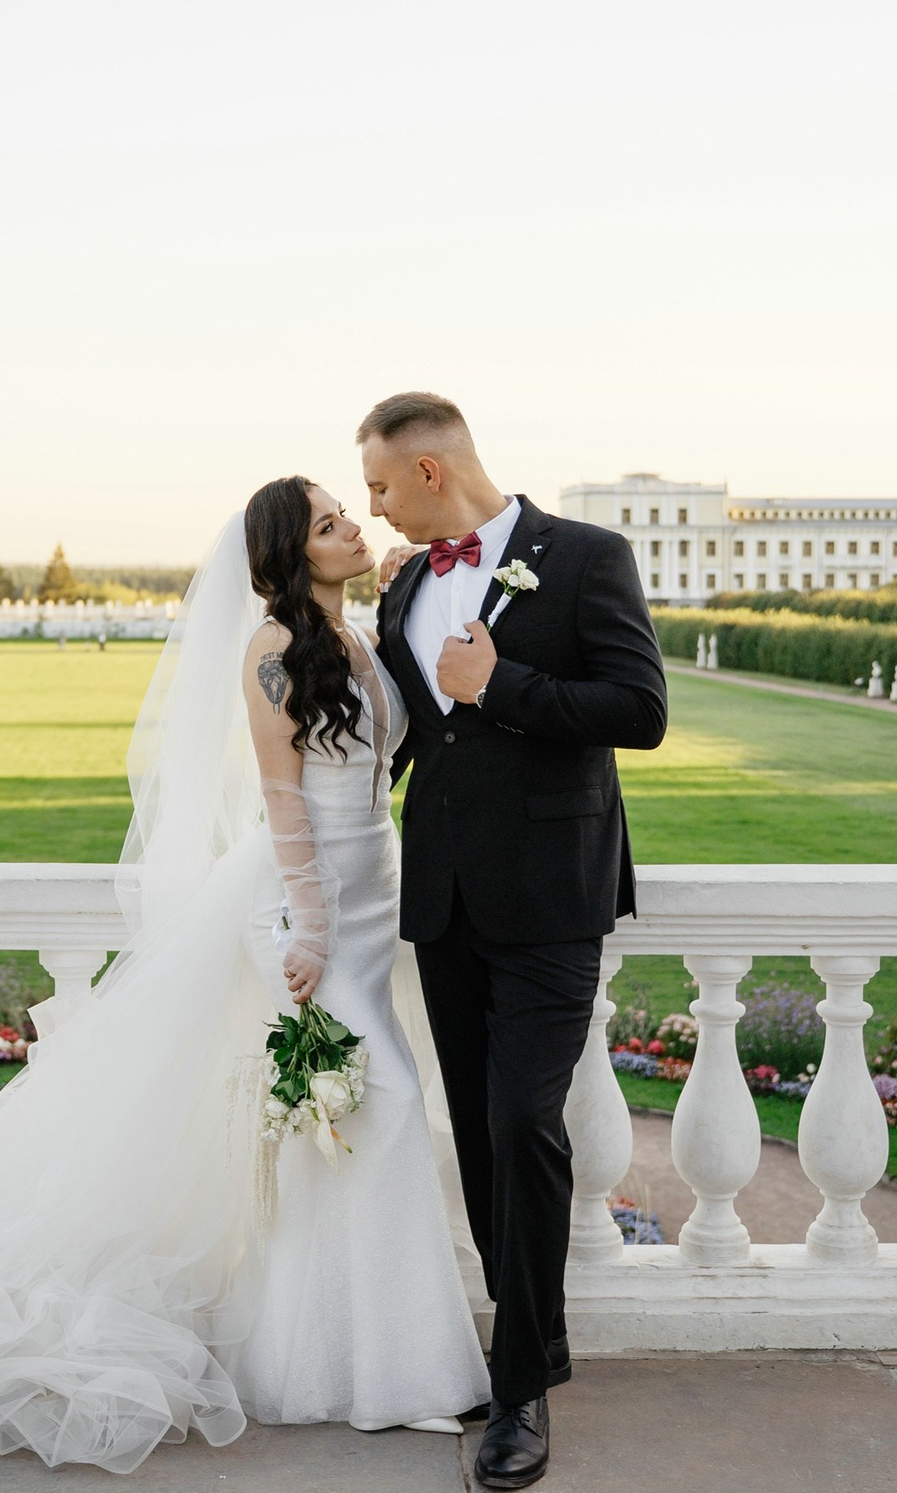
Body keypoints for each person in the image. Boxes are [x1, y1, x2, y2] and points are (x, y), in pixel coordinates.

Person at [0, 477, 489, 1474]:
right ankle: (382, 1370)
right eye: (332, 523)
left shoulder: (365, 638)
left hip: (376, 900)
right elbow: (284, 793)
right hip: (307, 903)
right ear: (295, 556)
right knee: (371, 1106)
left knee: (337, 1126)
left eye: (348, 513)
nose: (354, 526)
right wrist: (309, 925)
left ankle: (343, 1360)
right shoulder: (273, 652)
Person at [362, 391, 668, 1492]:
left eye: (382, 487)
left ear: (432, 473)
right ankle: (520, 1348)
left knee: (524, 1118)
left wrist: (504, 686)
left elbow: (638, 707)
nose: (376, 510)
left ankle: (524, 1389)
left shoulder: (586, 555)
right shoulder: (403, 582)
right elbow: (398, 737)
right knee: (481, 1139)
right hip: (440, 899)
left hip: (550, 894)